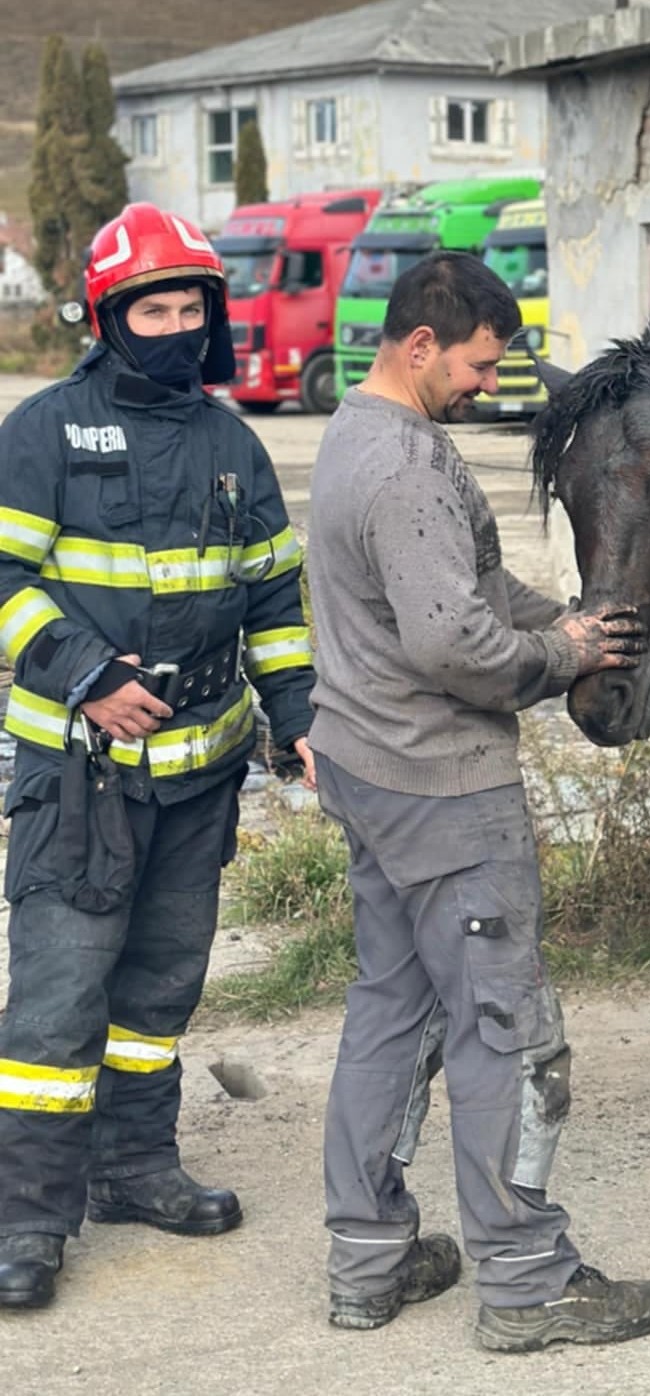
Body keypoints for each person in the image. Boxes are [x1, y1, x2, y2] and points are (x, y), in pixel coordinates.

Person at [306, 250, 650, 1351]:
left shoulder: (354, 433)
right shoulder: (409, 469)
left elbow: (472, 584)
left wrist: (577, 617)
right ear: (421, 345)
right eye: (474, 364)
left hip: (371, 770)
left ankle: (366, 1260)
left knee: (394, 1010)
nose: (483, 384)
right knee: (507, 1031)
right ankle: (526, 1281)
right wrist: (559, 656)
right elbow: (456, 641)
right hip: (442, 787)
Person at [0, 203, 316, 1309]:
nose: (176, 324)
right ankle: (28, 1220)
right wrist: (87, 673)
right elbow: (3, 582)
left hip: (201, 778)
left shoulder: (233, 443)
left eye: (192, 305)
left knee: (159, 991)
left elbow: (274, 593)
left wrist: (299, 713)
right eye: (154, 306)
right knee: (53, 1004)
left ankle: (133, 1170)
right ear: (110, 315)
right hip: (79, 780)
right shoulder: (44, 430)